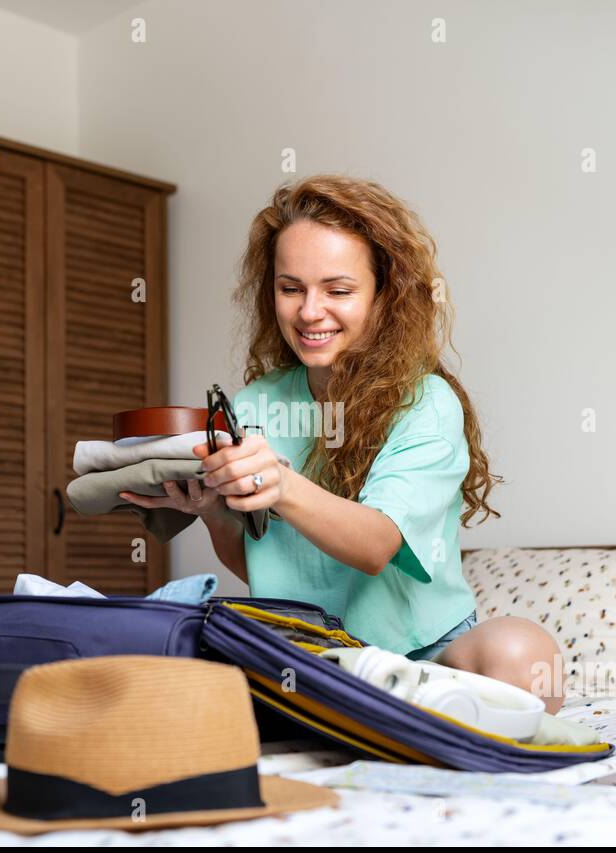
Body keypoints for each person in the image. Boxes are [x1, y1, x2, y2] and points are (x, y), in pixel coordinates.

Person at [119, 175, 565, 715]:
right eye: (291, 288)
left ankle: (393, 710)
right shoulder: (257, 404)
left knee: (524, 656)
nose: (309, 312)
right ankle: (367, 716)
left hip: (423, 653)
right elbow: (265, 565)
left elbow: (376, 545)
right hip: (306, 653)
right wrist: (214, 513)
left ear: (385, 295)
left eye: (337, 290)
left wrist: (280, 484)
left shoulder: (427, 403)